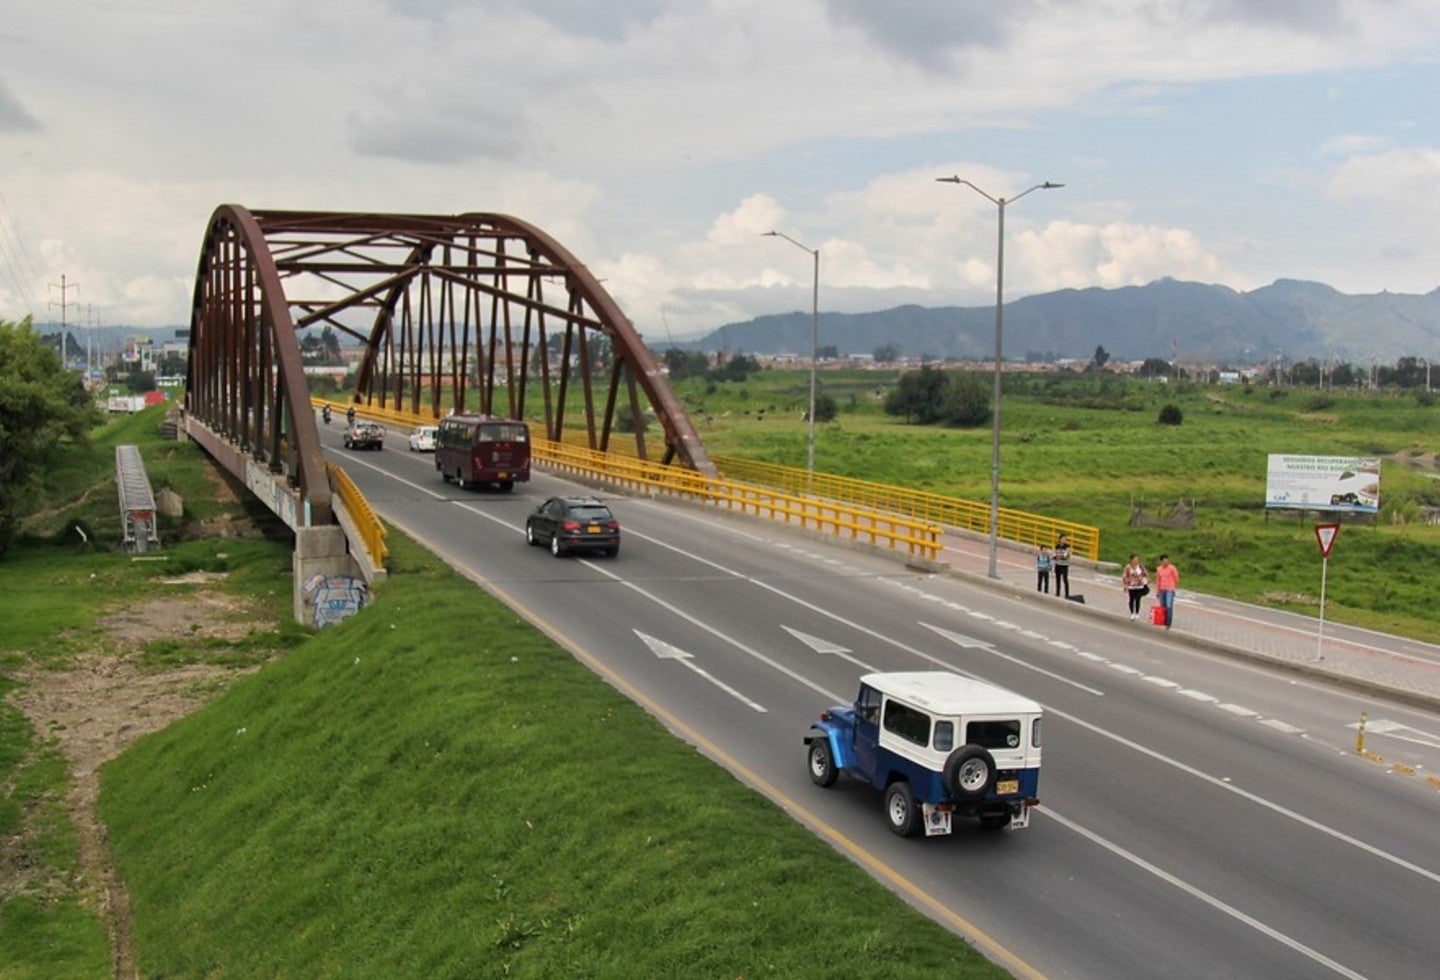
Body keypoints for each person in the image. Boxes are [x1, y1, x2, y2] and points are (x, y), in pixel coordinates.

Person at [1121, 553, 1148, 621]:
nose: (1136, 561)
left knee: (1138, 599)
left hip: (1139, 585)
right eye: (1134, 560)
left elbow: (1146, 574)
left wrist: (1143, 576)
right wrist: (1127, 582)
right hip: (1131, 586)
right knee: (1132, 599)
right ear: (1131, 560)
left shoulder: (1140, 566)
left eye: (1137, 560)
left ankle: (1137, 613)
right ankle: (1132, 613)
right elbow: (1124, 576)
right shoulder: (1128, 567)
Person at [1155, 554, 1180, 629]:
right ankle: (1163, 620)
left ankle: (1168, 623)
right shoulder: (1159, 569)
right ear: (1161, 562)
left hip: (1170, 589)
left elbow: (1176, 578)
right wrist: (1157, 591)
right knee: (1163, 606)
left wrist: (1173, 586)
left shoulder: (1172, 568)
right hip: (1162, 589)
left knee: (1169, 606)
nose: (1166, 562)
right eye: (1164, 561)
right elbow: (1158, 580)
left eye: (1167, 561)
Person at [1052, 533, 1071, 598]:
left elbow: (1066, 556)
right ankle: (1057, 593)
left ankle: (1067, 594)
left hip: (1064, 565)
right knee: (1058, 579)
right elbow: (1054, 555)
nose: (1064, 540)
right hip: (1058, 565)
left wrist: (1059, 556)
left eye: (1065, 539)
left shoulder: (1067, 547)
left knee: (1065, 579)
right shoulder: (1057, 546)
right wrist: (1058, 556)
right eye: (1063, 539)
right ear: (1060, 539)